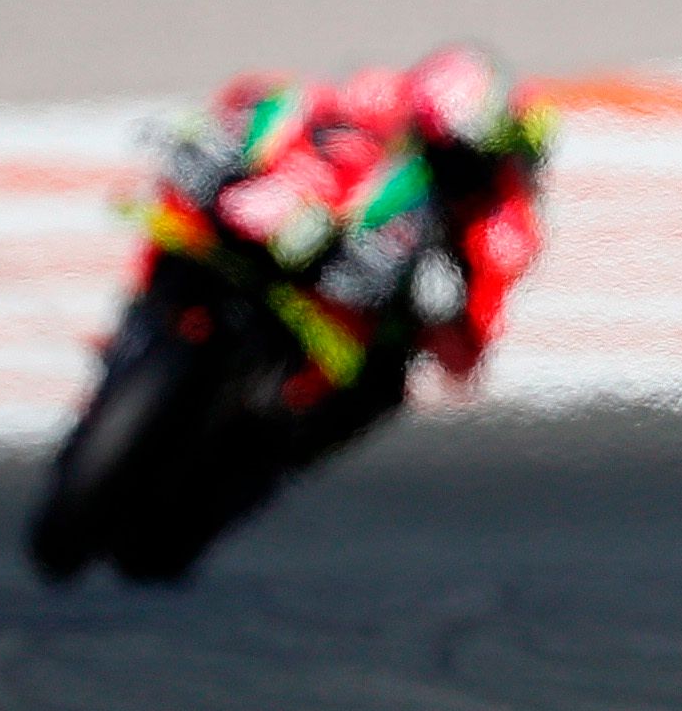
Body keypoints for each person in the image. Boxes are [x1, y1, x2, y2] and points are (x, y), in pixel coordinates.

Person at [142, 41, 554, 444]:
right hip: (291, 233)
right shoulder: (380, 96)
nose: (445, 166)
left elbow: (465, 357)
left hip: (362, 316)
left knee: (380, 388)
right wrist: (240, 145)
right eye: (433, 144)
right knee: (190, 203)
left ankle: (264, 448)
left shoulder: (501, 227)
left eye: (462, 159)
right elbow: (286, 102)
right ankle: (146, 310)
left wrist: (437, 313)